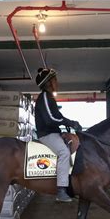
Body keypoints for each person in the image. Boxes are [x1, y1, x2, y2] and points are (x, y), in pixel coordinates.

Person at [34, 68, 82, 202]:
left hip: (54, 133)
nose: (57, 82)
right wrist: (70, 123)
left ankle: (71, 186)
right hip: (47, 134)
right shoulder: (44, 97)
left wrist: (67, 126)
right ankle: (61, 190)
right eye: (54, 80)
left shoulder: (49, 97)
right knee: (64, 153)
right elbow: (51, 119)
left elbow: (57, 117)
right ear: (48, 83)